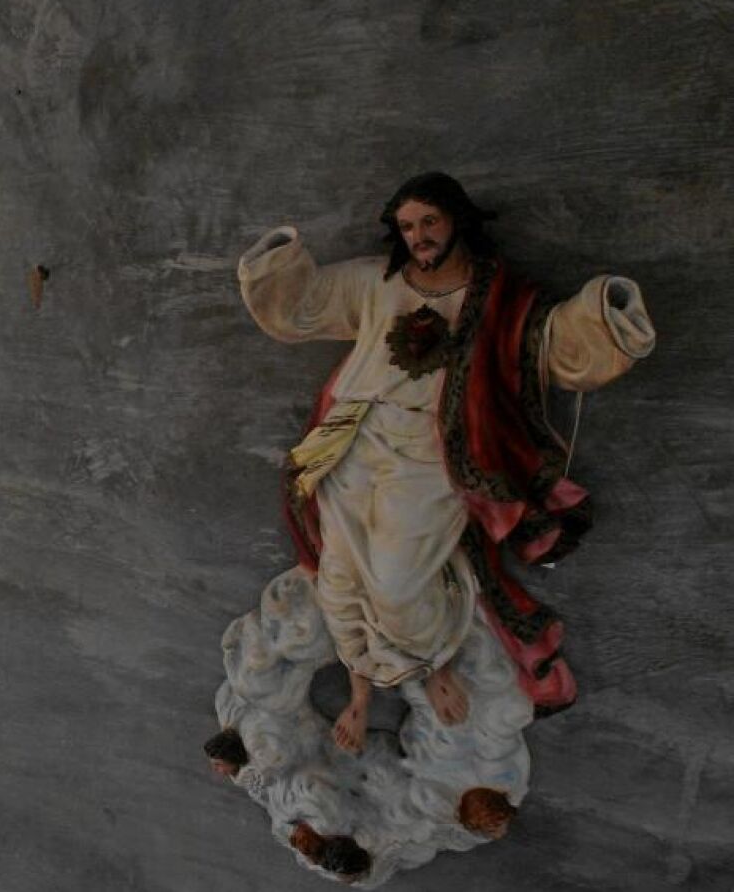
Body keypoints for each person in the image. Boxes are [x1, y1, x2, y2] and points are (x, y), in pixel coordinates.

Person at [238, 172, 656, 753]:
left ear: (457, 219)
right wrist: (276, 259)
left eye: (429, 221)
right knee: (339, 577)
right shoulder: (376, 280)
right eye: (408, 226)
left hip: (431, 453)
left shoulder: (498, 298)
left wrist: (603, 313)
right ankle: (361, 690)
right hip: (351, 442)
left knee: (396, 582)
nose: (419, 236)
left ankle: (433, 663)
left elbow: (554, 341)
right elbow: (303, 304)